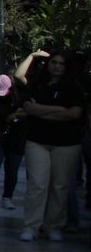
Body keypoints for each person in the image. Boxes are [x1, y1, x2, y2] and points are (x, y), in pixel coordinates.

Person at [17, 50, 85, 242]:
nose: (56, 66)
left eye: (60, 63)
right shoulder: (38, 85)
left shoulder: (74, 88)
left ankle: (54, 225)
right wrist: (59, 110)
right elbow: (29, 108)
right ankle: (31, 226)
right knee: (37, 185)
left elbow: (74, 114)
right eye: (53, 62)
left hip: (67, 143)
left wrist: (41, 110)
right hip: (38, 140)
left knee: (60, 186)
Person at [0, 74, 28, 211]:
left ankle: (7, 197)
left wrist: (16, 115)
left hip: (15, 138)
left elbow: (29, 111)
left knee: (12, 170)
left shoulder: (19, 98)